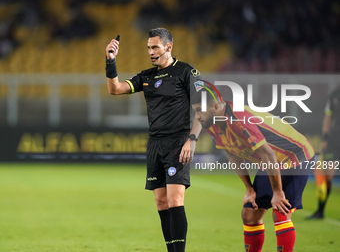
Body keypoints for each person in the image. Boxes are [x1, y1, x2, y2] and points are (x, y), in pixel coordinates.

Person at [105, 28, 202, 252]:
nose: (150, 52)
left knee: (175, 200)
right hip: (155, 145)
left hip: (178, 143)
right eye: (148, 48)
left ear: (168, 47)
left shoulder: (187, 72)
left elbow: (202, 109)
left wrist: (192, 139)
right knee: (161, 203)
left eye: (155, 47)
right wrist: (110, 61)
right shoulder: (147, 76)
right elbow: (115, 89)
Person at [191, 87, 315, 252]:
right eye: (195, 111)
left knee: (280, 212)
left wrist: (277, 192)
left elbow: (267, 153)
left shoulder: (240, 120)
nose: (197, 116)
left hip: (296, 156)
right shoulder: (212, 124)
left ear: (216, 107)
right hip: (271, 162)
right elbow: (233, 155)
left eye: (200, 110)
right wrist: (249, 189)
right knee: (250, 214)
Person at [308, 87, 340, 219]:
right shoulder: (335, 94)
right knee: (327, 175)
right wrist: (325, 137)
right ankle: (320, 210)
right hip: (335, 139)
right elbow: (328, 116)